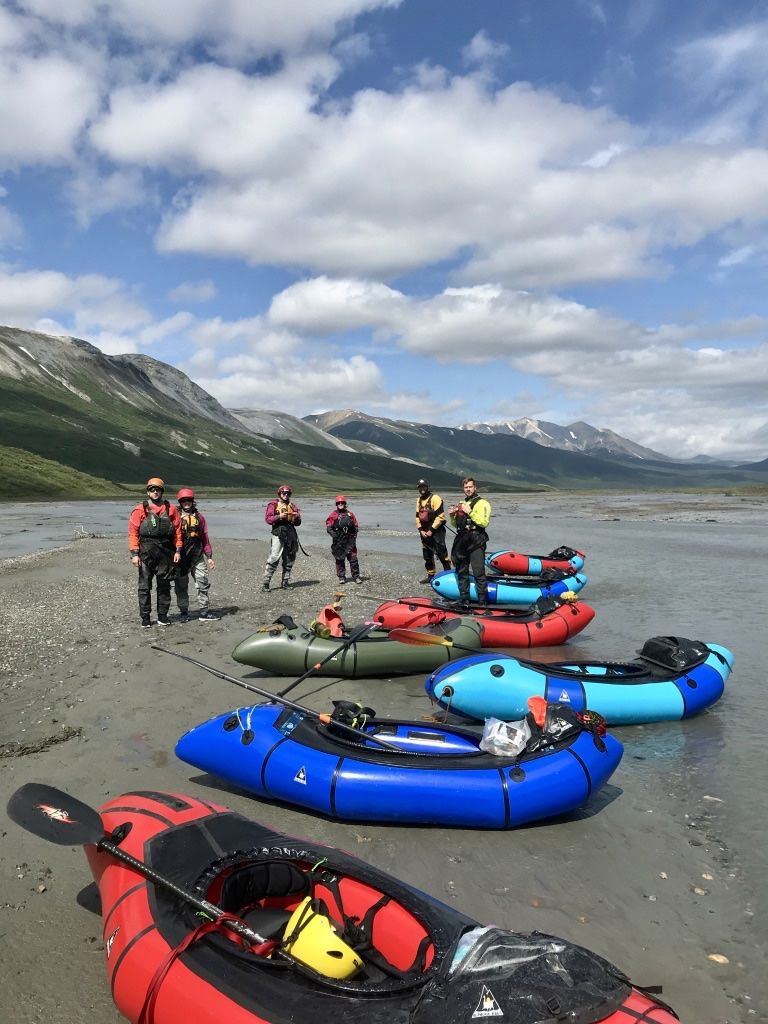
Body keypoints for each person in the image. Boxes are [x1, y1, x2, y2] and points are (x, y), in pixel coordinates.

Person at [128, 477, 183, 628]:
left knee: (164, 586)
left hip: (166, 552)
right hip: (146, 551)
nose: (155, 492)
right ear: (148, 491)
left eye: (158, 489)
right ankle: (145, 617)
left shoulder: (171, 509)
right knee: (144, 586)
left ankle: (162, 616)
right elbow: (133, 533)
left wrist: (178, 550)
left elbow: (178, 532)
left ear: (162, 491)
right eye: (152, 489)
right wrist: (134, 554)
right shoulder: (139, 510)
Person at [173, 488, 219, 622]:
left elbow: (205, 538)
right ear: (180, 502)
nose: (186, 502)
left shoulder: (200, 518)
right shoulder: (174, 517)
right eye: (183, 500)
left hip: (197, 554)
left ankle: (204, 613)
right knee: (181, 586)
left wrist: (209, 557)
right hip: (181, 556)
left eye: (189, 500)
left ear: (193, 501)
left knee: (202, 582)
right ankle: (183, 613)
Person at [448, 477, 492, 608]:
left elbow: (484, 522)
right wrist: (452, 515)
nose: (468, 489)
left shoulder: (483, 503)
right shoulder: (461, 503)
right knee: (462, 570)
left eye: (470, 487)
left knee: (478, 570)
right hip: (462, 539)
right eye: (466, 487)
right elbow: (456, 524)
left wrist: (470, 512)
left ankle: (483, 601)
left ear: (475, 487)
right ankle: (464, 599)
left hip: (476, 538)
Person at [262, 484, 302, 591]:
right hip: (278, 533)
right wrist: (279, 516)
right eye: (284, 493)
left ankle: (285, 582)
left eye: (288, 493)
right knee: (274, 557)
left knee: (289, 558)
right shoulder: (273, 504)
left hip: (290, 533)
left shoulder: (293, 506)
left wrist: (296, 516)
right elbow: (268, 519)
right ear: (280, 493)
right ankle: (266, 583)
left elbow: (298, 523)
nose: (286, 495)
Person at [415, 478, 451, 584]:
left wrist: (431, 530)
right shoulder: (419, 500)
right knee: (427, 554)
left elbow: (440, 516)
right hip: (424, 532)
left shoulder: (436, 498)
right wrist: (421, 530)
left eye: (424, 487)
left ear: (427, 487)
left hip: (437, 531)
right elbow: (417, 517)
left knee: (441, 553)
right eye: (420, 487)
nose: (422, 489)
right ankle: (430, 575)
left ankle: (448, 574)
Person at [326, 495, 362, 584]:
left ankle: (356, 576)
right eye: (339, 503)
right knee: (340, 559)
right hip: (339, 540)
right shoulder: (333, 515)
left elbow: (356, 525)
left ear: (345, 504)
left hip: (350, 540)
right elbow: (329, 527)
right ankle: (341, 577)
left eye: (342, 503)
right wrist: (334, 536)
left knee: (353, 559)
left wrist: (354, 534)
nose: (340, 504)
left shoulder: (350, 514)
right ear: (336, 504)